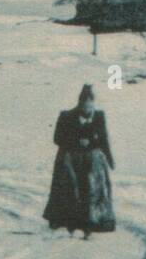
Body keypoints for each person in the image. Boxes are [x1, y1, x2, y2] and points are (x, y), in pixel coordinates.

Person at [42, 84, 115, 238]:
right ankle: (71, 224)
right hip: (72, 160)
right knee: (72, 192)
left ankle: (92, 224)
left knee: (92, 191)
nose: (87, 106)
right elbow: (57, 138)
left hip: (92, 162)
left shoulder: (99, 116)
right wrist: (77, 141)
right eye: (84, 103)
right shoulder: (66, 116)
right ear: (79, 103)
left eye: (90, 103)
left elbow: (103, 140)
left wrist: (109, 158)